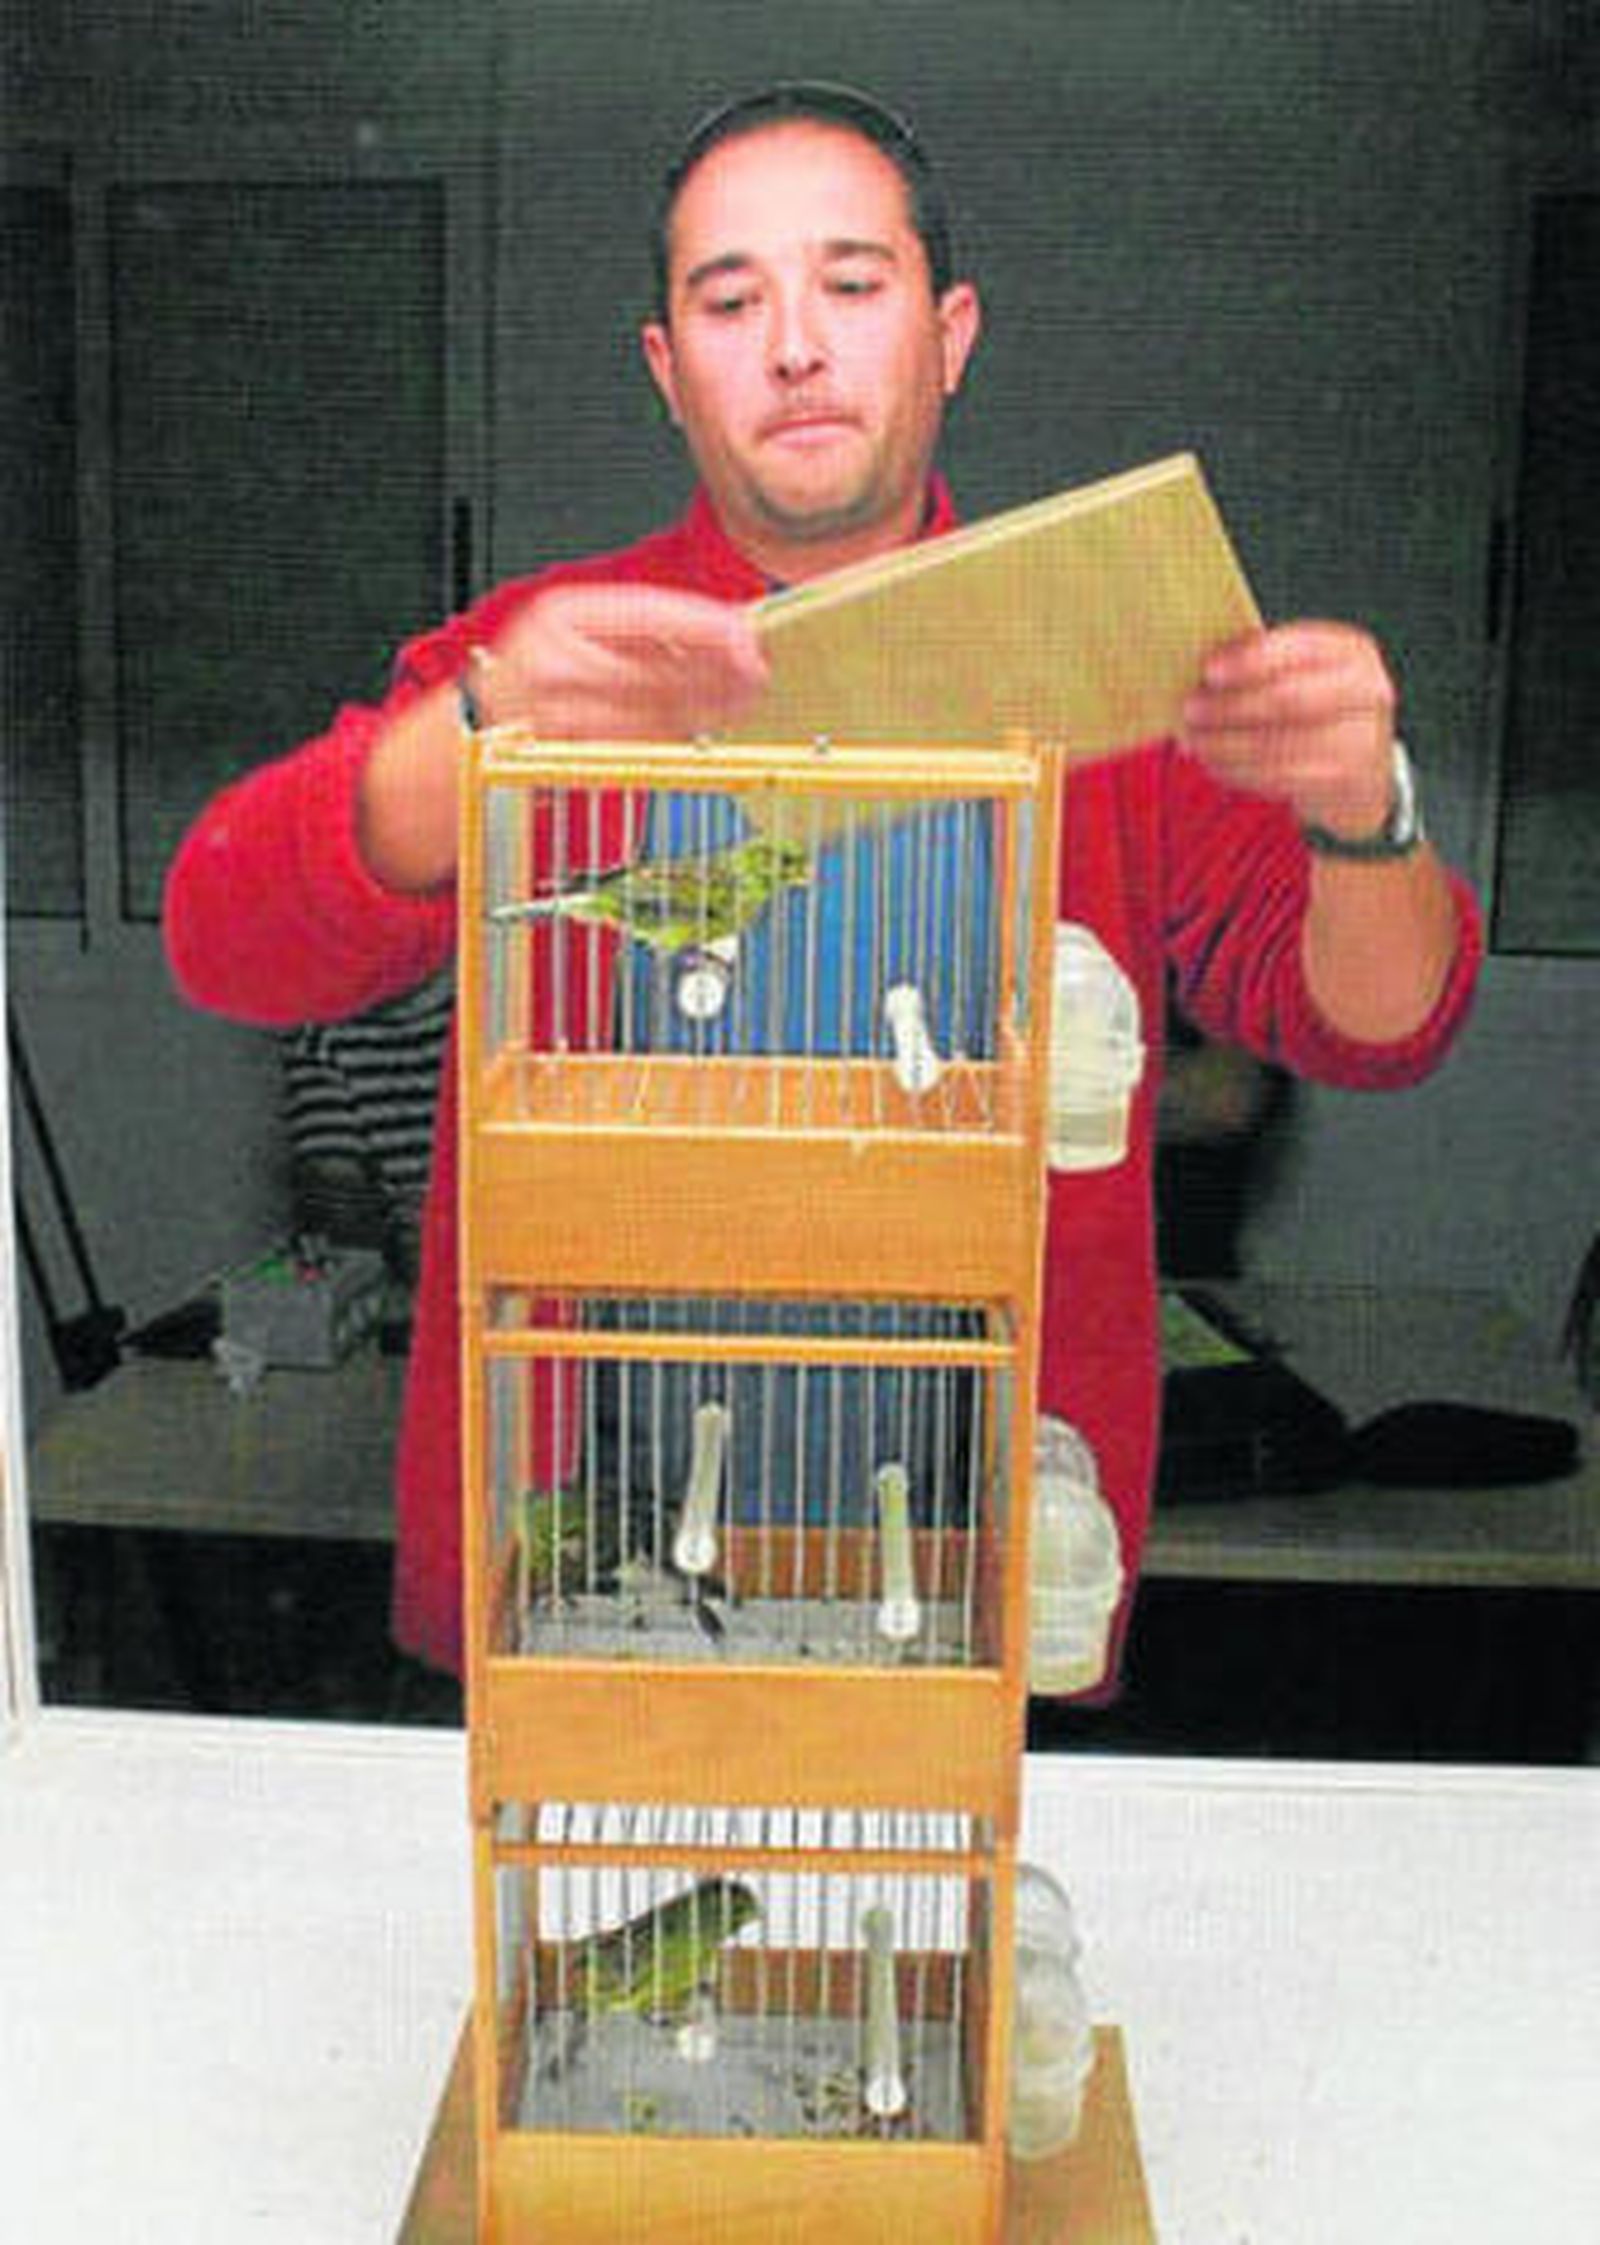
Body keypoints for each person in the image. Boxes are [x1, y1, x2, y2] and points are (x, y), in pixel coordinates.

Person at [165, 81, 1481, 1689]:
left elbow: (1381, 1026)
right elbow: (226, 943)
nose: (795, 345)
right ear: (667, 367)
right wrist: (472, 737)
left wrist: (1363, 816)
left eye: (852, 284)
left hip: (971, 1584)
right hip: (577, 1581)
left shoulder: (1105, 654)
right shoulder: (546, 658)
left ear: (950, 332)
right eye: (732, 302)